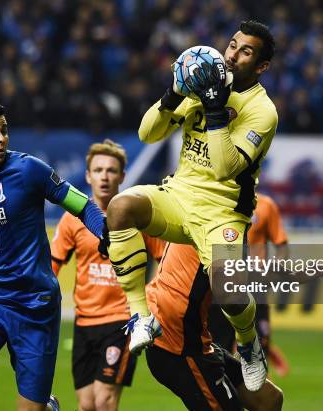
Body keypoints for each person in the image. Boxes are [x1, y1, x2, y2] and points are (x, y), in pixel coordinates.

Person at [102, 19, 277, 392]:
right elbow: (147, 134)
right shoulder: (203, 82)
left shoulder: (263, 111)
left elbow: (224, 168)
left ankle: (248, 343)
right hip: (178, 196)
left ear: (261, 66)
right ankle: (140, 316)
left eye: (246, 51)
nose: (233, 54)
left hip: (223, 211)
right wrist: (173, 93)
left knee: (226, 287)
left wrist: (214, 108)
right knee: (119, 208)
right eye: (232, 44)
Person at [0, 101, 105, 411]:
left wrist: (105, 233)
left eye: (4, 131)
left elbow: (82, 204)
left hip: (34, 307)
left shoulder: (29, 170)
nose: (1, 139)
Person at [50, 139, 164, 411]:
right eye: (98, 170)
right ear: (88, 175)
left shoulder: (136, 215)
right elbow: (52, 264)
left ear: (122, 176)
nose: (104, 176)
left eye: (111, 170)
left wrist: (151, 296)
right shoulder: (72, 219)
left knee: (105, 401)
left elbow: (164, 258)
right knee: (87, 405)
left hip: (122, 320)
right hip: (84, 322)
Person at [145, 241, 284, 411]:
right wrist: (248, 342)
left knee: (270, 400)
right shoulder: (218, 228)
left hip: (198, 341)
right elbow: (231, 296)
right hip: (179, 347)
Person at [208, 192, 290, 376]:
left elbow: (281, 244)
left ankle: (260, 397)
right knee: (218, 347)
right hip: (223, 285)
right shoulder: (217, 200)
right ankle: (223, 397)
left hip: (254, 285)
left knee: (259, 346)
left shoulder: (266, 205)